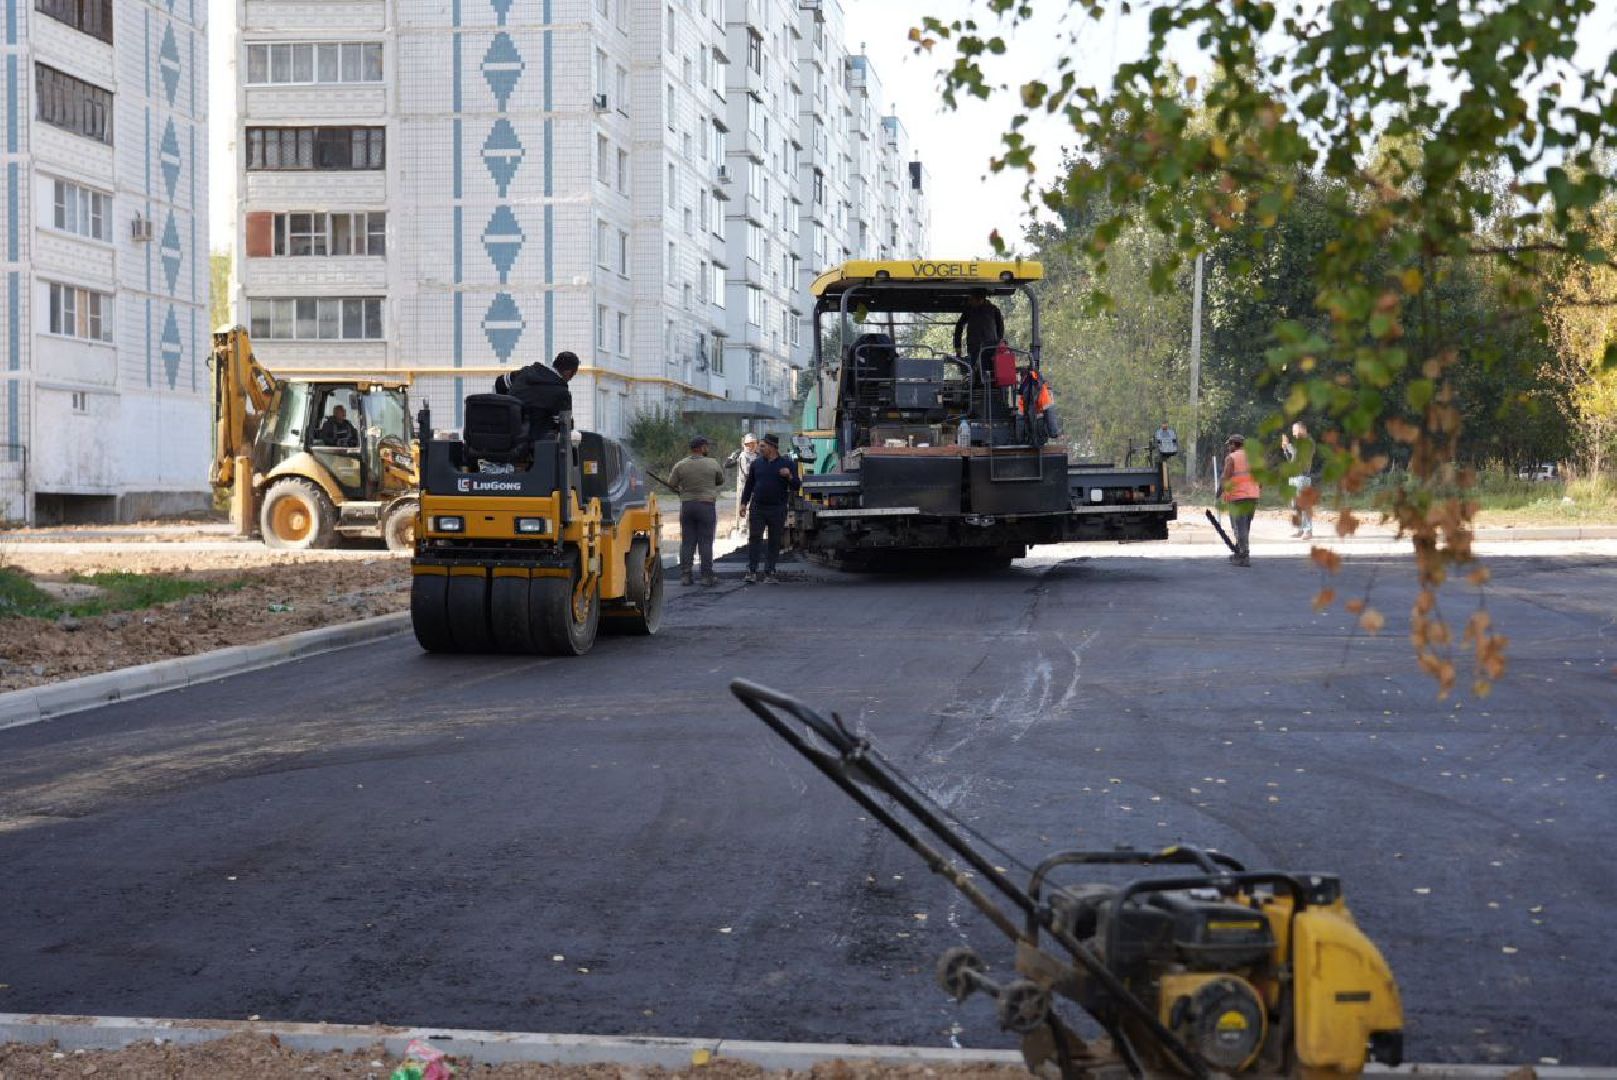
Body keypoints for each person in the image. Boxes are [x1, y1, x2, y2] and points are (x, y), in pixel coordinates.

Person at [739, 433, 800, 584]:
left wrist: (789, 476)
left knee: (774, 541)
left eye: (762, 446)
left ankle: (770, 572)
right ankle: (751, 571)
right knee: (755, 538)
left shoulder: (787, 464)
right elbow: (749, 485)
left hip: (777, 508)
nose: (759, 449)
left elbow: (797, 486)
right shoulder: (757, 464)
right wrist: (743, 503)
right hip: (758, 508)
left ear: (772, 447)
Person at [667, 435, 726, 587]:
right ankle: (706, 576)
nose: (708, 448)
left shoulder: (680, 465)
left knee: (687, 542)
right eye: (706, 446)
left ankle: (686, 575)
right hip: (706, 506)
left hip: (687, 506)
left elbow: (671, 484)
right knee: (705, 542)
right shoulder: (712, 463)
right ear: (701, 448)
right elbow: (720, 480)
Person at [493, 351, 580, 434]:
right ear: (568, 373)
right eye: (573, 375)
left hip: (504, 432)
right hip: (533, 443)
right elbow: (565, 426)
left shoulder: (527, 372)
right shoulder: (562, 393)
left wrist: (506, 404)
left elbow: (500, 382)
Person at [1221, 433, 1260, 568]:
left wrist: (1221, 493)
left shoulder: (1231, 458)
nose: (1229, 448)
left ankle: (1244, 556)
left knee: (1239, 527)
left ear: (1233, 444)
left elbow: (1226, 478)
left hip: (1238, 497)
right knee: (1245, 526)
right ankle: (1240, 552)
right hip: (1252, 496)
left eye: (1229, 445)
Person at [953, 288, 1006, 378]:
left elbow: (1000, 328)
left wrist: (999, 342)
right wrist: (958, 347)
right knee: (975, 371)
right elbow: (959, 326)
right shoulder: (969, 310)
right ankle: (976, 385)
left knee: (990, 372)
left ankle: (991, 388)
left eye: (972, 299)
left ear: (980, 299)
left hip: (991, 347)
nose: (970, 301)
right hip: (974, 347)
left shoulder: (993, 310)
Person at [1280, 421, 1315, 540]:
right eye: (1293, 431)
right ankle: (1300, 529)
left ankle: (1308, 531)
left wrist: (1288, 445)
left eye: (1296, 430)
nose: (1294, 433)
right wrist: (1285, 448)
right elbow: (1292, 459)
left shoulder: (1308, 442)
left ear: (1303, 429)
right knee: (1295, 505)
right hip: (1294, 476)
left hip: (1302, 477)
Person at [725, 433, 760, 537]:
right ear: (745, 444)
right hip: (746, 487)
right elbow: (747, 472)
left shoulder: (757, 456)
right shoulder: (743, 456)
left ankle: (752, 529)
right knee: (745, 508)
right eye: (749, 444)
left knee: (754, 509)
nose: (751, 446)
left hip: (756, 487)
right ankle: (743, 529)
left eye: (753, 444)